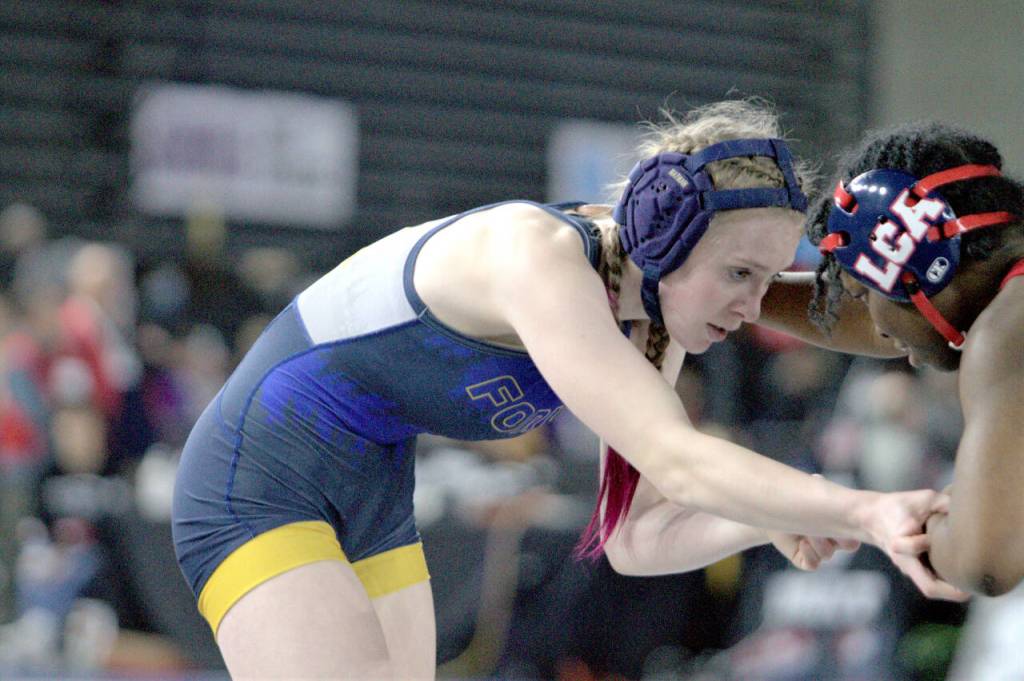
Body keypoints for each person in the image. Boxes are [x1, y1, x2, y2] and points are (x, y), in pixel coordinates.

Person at [171, 101, 960, 680]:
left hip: (370, 488)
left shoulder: (647, 324)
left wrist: (771, 518)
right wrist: (858, 506)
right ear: (665, 233)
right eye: (740, 275)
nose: (754, 309)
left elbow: (636, 538)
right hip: (257, 478)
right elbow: (680, 462)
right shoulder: (537, 259)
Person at [761, 120, 1024, 598]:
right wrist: (732, 292)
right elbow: (886, 325)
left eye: (861, 294)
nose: (875, 326)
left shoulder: (1006, 334)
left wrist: (921, 525)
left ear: (924, 263)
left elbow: (986, 561)